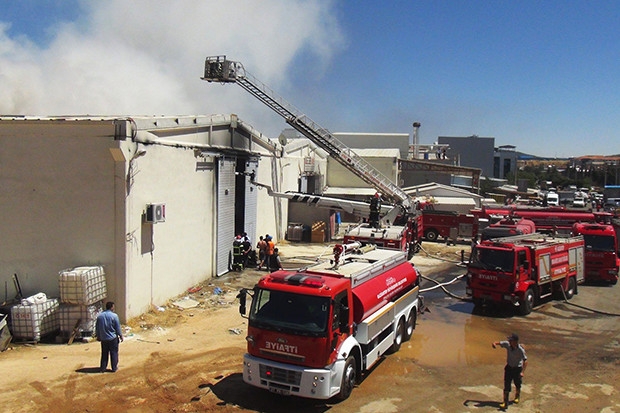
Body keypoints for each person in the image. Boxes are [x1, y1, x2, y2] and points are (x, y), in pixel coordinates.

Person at [492, 333, 527, 409]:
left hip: (517, 369)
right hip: (509, 368)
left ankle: (517, 396)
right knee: (506, 385)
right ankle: (505, 402)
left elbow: (525, 361)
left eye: (511, 340)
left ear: (515, 341)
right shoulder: (507, 344)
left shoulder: (520, 350)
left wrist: (522, 372)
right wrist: (494, 344)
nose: (509, 341)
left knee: (517, 384)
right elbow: (497, 342)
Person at [96, 301, 123, 373]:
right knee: (114, 353)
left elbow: (97, 328)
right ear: (112, 307)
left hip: (104, 338)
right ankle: (114, 368)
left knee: (104, 353)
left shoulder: (100, 316)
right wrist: (120, 335)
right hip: (112, 338)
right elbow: (117, 327)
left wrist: (98, 336)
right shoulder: (114, 316)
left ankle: (103, 368)